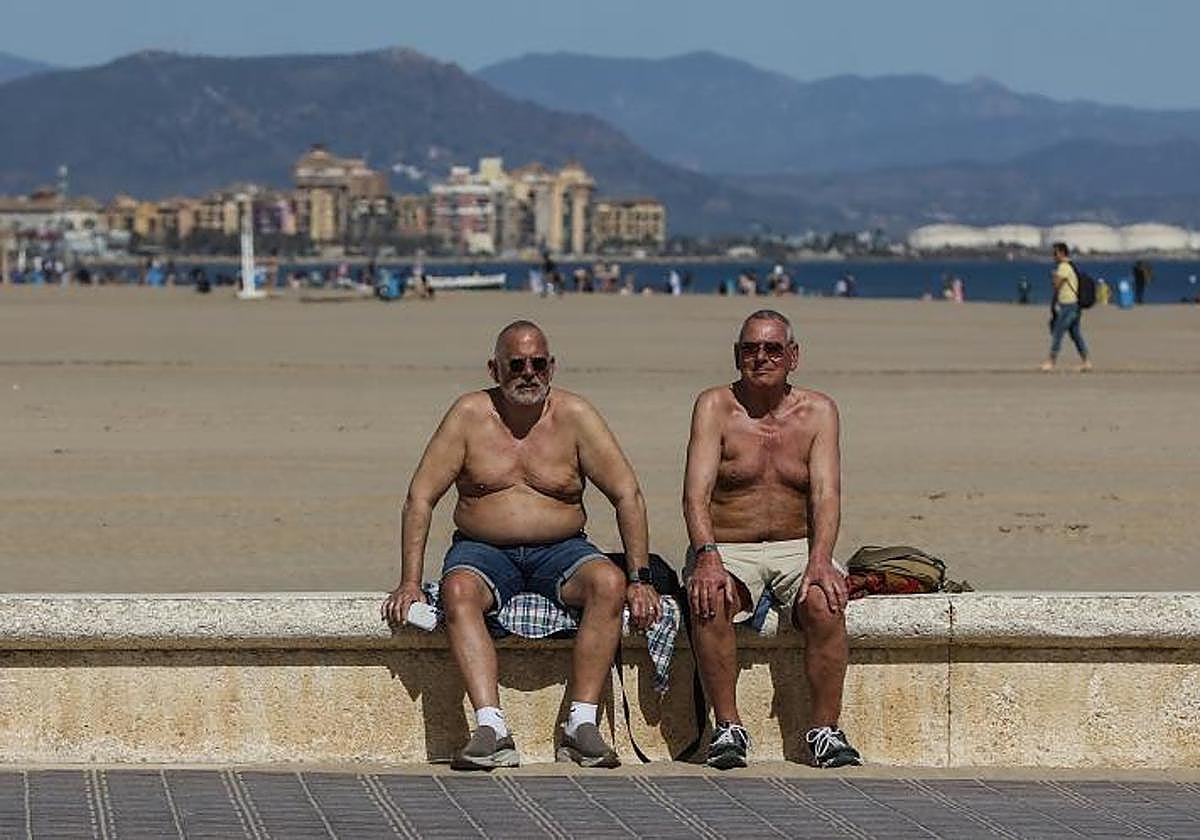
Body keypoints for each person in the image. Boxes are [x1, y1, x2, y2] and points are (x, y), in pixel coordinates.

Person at [381, 321, 660, 770]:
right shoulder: (468, 416)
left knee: (608, 583)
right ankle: (491, 728)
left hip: (563, 548)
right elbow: (420, 497)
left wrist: (641, 579)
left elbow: (628, 493)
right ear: (495, 368)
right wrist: (410, 582)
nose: (528, 373)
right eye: (516, 364)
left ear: (551, 367)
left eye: (537, 364)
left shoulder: (576, 416)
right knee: (457, 592)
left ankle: (581, 725)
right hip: (481, 549)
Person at [682, 309, 862, 770]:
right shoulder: (714, 407)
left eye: (772, 349)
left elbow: (826, 494)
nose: (760, 358)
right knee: (709, 598)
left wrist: (820, 559)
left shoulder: (819, 411)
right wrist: (707, 557)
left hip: (797, 544)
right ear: (736, 355)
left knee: (826, 602)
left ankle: (825, 730)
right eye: (750, 349)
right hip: (728, 543)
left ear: (793, 356)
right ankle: (727, 727)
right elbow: (695, 495)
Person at [1041, 242, 1091, 372]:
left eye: (1055, 253)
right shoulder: (1071, 266)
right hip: (1074, 304)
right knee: (1075, 333)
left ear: (1062, 253)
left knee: (1058, 332)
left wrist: (1054, 276)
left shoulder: (1063, 267)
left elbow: (1057, 285)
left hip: (1068, 305)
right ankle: (1086, 360)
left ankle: (1051, 361)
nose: (1053, 256)